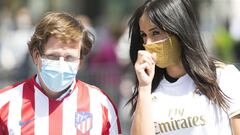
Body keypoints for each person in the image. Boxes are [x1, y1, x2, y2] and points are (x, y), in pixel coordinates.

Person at [127, 0, 240, 135]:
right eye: (144, 35)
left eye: (155, 33)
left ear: (178, 30)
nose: (148, 43)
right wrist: (144, 87)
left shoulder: (223, 76)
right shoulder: (146, 88)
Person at [0, 12, 121, 135]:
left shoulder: (101, 104)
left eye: (69, 57)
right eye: (53, 56)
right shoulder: (5, 103)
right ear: (36, 56)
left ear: (80, 62)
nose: (61, 64)